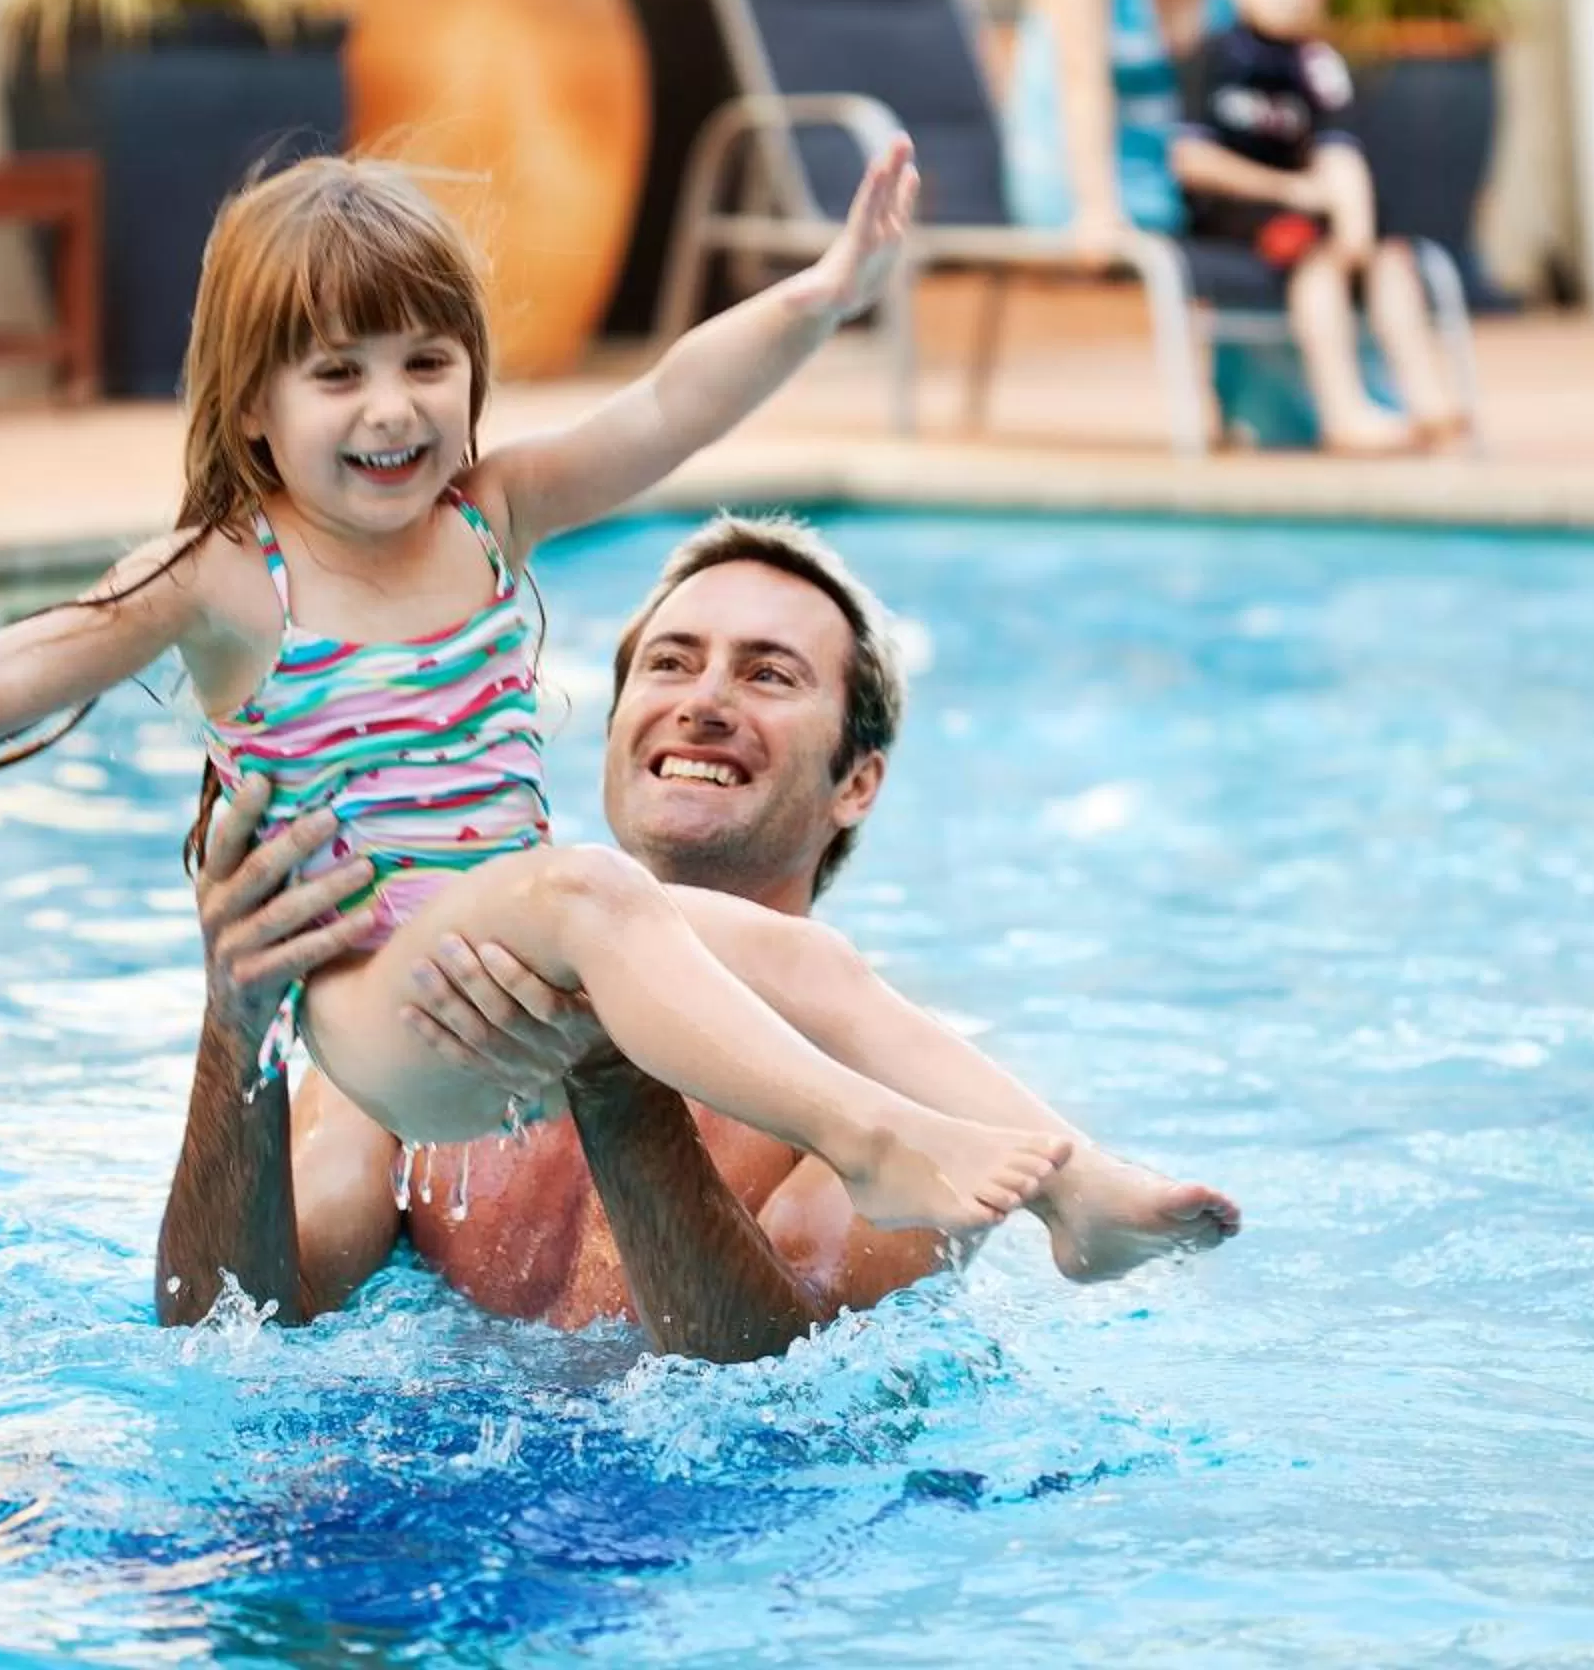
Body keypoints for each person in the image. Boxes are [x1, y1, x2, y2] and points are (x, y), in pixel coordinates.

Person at [0, 142, 1227, 1271]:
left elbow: (670, 401)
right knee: (596, 884)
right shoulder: (232, 577)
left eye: (426, 362)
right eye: (338, 372)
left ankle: (1076, 1191)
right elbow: (13, 665)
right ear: (251, 406)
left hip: (526, 969)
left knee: (814, 960)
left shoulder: (486, 516)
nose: (393, 410)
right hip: (390, 1019)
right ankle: (871, 1137)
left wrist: (817, 295)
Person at [163, 515, 1235, 1359]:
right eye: (670, 663)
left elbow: (777, 1402)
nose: (705, 702)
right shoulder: (456, 985)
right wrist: (238, 1016)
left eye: (769, 673)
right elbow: (232, 1328)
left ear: (856, 780)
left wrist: (615, 1078)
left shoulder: (916, 1101)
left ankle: (1085, 1185)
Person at [1002, 0, 1457, 453]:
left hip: (1209, 156)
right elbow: (1082, 79)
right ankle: (1307, 403)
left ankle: (1348, 403)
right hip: (1084, 155)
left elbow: (1285, 65)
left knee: (1306, 231)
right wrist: (1096, 207)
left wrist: (1319, 184)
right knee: (1238, 226)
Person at [1174, 0, 1467, 452]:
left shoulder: (1318, 64)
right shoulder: (1212, 57)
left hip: (1310, 211)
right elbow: (1192, 159)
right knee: (1320, 262)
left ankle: (1427, 400)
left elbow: (1340, 150)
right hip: (1234, 214)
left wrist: (1355, 223)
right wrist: (1288, 189)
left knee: (1389, 257)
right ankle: (1343, 410)